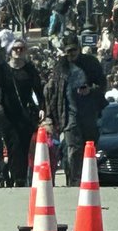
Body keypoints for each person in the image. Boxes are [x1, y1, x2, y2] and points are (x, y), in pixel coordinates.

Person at [45, 36, 106, 187]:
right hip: (68, 114)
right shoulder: (61, 66)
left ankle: (89, 180)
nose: (71, 54)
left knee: (89, 146)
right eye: (68, 51)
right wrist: (49, 116)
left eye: (73, 50)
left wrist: (90, 89)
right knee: (73, 148)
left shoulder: (91, 63)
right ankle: (73, 181)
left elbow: (102, 84)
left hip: (89, 113)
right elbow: (53, 92)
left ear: (79, 48)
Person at [0, 39, 44, 187]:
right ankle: (17, 177)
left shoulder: (30, 69)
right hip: (8, 115)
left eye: (21, 49)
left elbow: (38, 91)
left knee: (24, 145)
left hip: (25, 115)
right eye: (15, 49)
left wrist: (41, 107)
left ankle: (21, 176)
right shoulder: (3, 69)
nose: (18, 51)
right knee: (13, 145)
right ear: (10, 51)